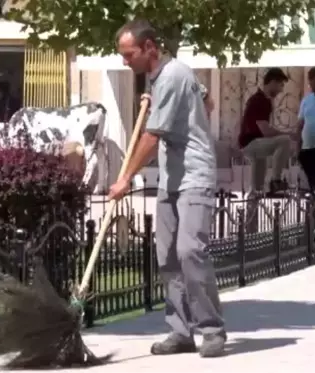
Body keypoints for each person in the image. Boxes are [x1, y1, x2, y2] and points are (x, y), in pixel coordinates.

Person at [107, 19, 226, 358]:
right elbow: (209, 103)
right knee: (169, 258)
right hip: (171, 180)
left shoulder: (172, 75)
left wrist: (125, 178)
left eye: (128, 55)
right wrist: (175, 108)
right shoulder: (163, 79)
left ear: (149, 49)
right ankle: (180, 331)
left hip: (194, 176)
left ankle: (213, 330)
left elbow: (151, 135)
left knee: (191, 251)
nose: (124, 61)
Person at [238, 68, 293, 193]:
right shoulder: (260, 100)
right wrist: (289, 134)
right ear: (272, 82)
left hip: (254, 144)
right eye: (281, 85)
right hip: (251, 143)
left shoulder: (262, 100)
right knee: (285, 141)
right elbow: (266, 131)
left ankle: (252, 209)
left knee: (257, 188)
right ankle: (276, 181)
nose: (281, 90)